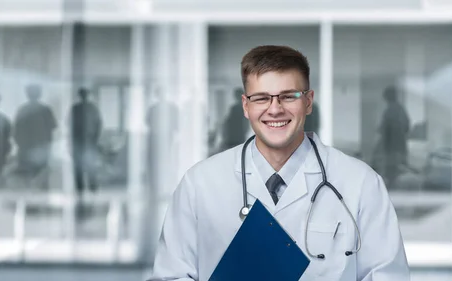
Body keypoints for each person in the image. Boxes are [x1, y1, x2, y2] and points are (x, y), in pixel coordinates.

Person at [148, 45, 410, 281]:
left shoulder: (361, 184)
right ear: (245, 106)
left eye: (288, 96)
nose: (275, 109)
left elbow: (387, 276)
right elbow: (171, 275)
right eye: (261, 97)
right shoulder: (199, 184)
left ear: (308, 102)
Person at [70, 87, 103, 193]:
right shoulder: (83, 108)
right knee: (83, 168)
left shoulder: (81, 108)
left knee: (88, 168)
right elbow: (71, 126)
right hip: (83, 142)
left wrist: (95, 139)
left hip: (86, 142)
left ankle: (88, 188)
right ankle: (84, 189)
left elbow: (98, 125)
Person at [377, 86, 410, 188]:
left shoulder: (392, 110)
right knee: (393, 170)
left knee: (392, 170)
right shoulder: (399, 109)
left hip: (392, 147)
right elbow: (406, 126)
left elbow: (385, 128)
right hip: (396, 146)